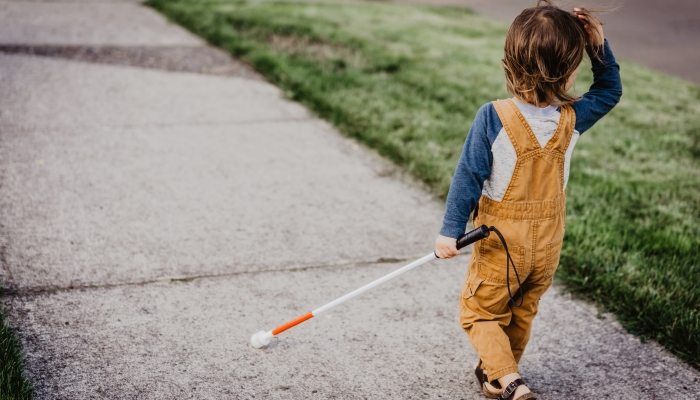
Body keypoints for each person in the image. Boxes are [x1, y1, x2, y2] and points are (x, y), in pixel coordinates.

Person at [433, 1, 622, 399]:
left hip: (502, 241)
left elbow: (468, 176)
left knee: (479, 312)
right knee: (520, 311)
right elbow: (609, 89)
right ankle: (495, 375)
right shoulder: (572, 118)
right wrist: (598, 47)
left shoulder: (493, 117)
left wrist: (450, 231)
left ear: (509, 61)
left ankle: (511, 379)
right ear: (570, 69)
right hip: (548, 244)